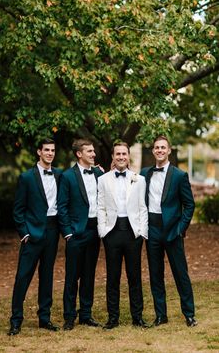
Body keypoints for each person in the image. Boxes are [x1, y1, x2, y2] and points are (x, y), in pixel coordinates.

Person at [140, 135, 197, 327]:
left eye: (163, 147)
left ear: (169, 150)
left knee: (181, 274)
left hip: (173, 231)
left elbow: (189, 205)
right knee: (156, 275)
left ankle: (189, 314)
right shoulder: (144, 173)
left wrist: (181, 229)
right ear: (153, 150)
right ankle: (160, 315)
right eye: (157, 147)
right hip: (152, 229)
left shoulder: (179, 175)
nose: (160, 150)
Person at [8, 138, 61, 336]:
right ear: (39, 152)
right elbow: (18, 209)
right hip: (32, 233)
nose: (50, 153)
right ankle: (16, 320)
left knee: (47, 276)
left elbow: (79, 177)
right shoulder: (26, 177)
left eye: (53, 150)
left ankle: (44, 318)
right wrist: (24, 234)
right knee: (23, 277)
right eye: (46, 150)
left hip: (53, 231)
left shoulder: (59, 175)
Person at [97, 141, 148, 329]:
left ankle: (137, 317)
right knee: (113, 277)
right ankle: (113, 318)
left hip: (133, 233)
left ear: (128, 156)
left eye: (124, 154)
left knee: (134, 277)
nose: (121, 157)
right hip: (112, 233)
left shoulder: (139, 179)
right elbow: (100, 206)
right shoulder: (103, 180)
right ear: (113, 156)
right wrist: (103, 231)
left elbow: (143, 207)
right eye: (117, 154)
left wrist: (142, 232)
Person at [58, 138, 103, 331]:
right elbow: (62, 207)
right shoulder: (67, 176)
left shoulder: (99, 174)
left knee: (89, 274)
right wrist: (67, 233)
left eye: (93, 151)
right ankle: (69, 316)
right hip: (76, 233)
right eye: (89, 151)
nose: (93, 154)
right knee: (72, 276)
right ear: (79, 154)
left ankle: (86, 314)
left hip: (95, 230)